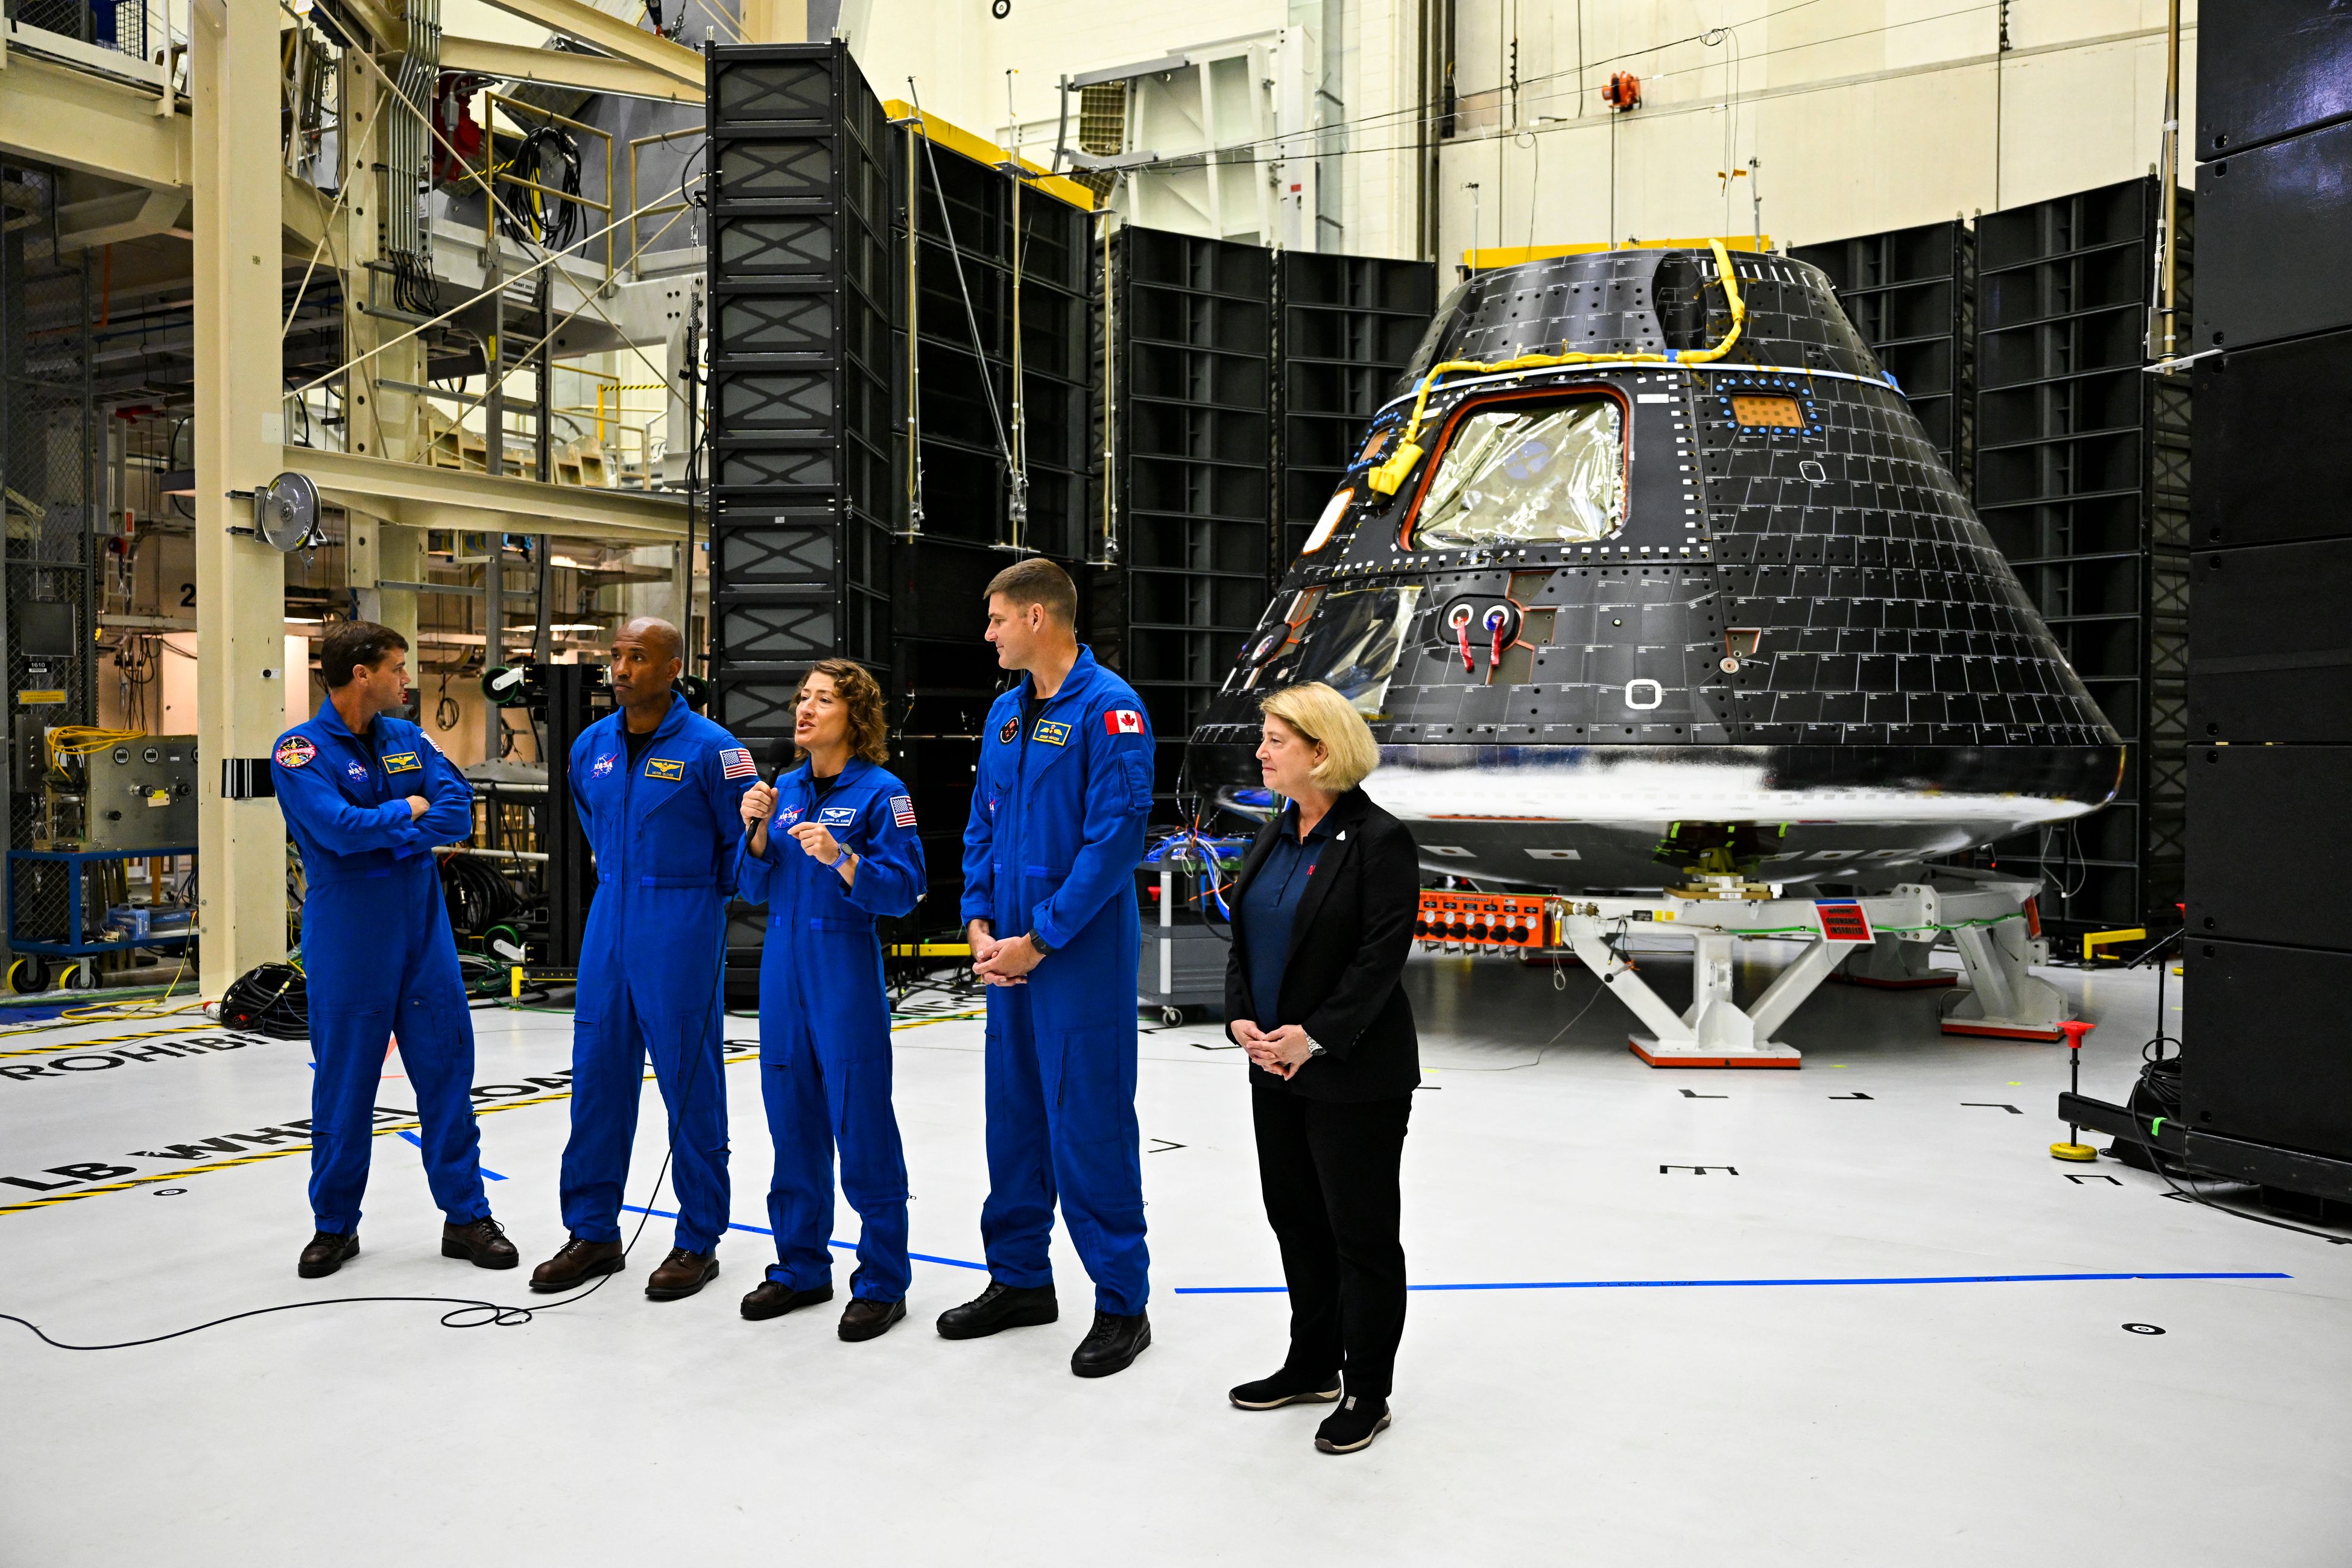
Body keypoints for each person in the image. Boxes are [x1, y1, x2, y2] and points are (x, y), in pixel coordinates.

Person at [946, 558, 1157, 1377]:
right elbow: (982, 826)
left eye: (997, 619)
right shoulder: (1006, 714)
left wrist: (1040, 939)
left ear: (1037, 617)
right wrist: (978, 922)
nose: (988, 634)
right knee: (1014, 1120)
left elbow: (1114, 845)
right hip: (1009, 949)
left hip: (1078, 957)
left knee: (1089, 1123)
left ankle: (1122, 1303)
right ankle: (1021, 1278)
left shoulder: (1112, 710)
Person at [272, 621, 515, 1279]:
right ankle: (334, 1226)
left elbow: (457, 811)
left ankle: (466, 1216)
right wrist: (408, 813)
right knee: (346, 1085)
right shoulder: (299, 751)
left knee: (446, 1075)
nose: (408, 679)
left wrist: (394, 826)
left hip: (422, 932)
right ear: (362, 675)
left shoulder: (408, 737)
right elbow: (336, 831)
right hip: (351, 934)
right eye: (398, 668)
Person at [530, 618, 756, 1301]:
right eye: (616, 656)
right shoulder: (590, 746)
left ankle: (698, 1238)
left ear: (673, 667)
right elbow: (594, 820)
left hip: (681, 920)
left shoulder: (715, 750)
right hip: (610, 918)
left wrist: (696, 896)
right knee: (598, 1076)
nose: (622, 669)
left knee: (690, 1081)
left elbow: (742, 847)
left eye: (638, 657)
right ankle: (592, 1231)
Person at [1222, 681, 1420, 1455]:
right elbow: (1245, 940)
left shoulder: (1379, 839)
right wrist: (1241, 1016)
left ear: (1322, 749)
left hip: (1353, 1072)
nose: (1262, 751)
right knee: (1296, 1220)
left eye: (1276, 739)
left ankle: (1367, 1388)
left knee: (1360, 1234)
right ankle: (1311, 1362)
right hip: (1273, 1065)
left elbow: (1379, 959)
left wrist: (1315, 1036)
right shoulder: (1276, 832)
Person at [734, 660, 926, 1341]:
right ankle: (800, 1266)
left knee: (862, 1124)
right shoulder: (782, 789)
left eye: (823, 699)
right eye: (803, 697)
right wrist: (757, 830)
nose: (805, 708)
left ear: (856, 717)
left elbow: (906, 890)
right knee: (792, 1124)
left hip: (843, 973)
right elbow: (751, 887)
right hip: (783, 975)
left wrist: (843, 858)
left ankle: (882, 1280)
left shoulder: (883, 793)